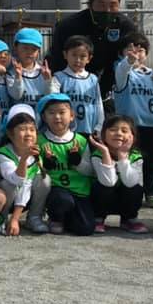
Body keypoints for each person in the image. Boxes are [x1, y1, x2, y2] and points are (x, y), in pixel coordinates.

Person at [47, 0, 137, 100]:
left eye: (113, 5)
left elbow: (131, 59)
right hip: (75, 89)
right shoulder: (68, 26)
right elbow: (57, 60)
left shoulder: (126, 27)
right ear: (90, 4)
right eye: (101, 5)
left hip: (113, 89)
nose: (107, 10)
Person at [113, 32, 153, 204]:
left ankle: (151, 192)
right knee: (131, 159)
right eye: (130, 49)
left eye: (141, 50)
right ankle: (130, 192)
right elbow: (122, 70)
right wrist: (128, 61)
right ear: (122, 52)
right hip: (131, 126)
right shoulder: (122, 71)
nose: (136, 53)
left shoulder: (152, 74)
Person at [37, 93, 96, 236]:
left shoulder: (81, 140)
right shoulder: (40, 140)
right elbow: (35, 173)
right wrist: (47, 165)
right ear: (44, 117)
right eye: (51, 113)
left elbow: (91, 171)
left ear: (72, 116)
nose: (57, 117)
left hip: (80, 191)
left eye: (62, 112)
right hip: (56, 191)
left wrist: (77, 163)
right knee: (62, 199)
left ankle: (67, 218)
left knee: (86, 229)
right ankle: (56, 218)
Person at [88, 115, 147, 234]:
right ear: (103, 134)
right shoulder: (98, 155)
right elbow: (108, 181)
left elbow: (130, 182)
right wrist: (105, 153)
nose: (119, 133)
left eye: (124, 131)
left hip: (125, 199)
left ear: (132, 137)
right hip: (102, 200)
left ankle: (129, 219)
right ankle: (98, 218)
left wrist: (122, 157)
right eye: (113, 130)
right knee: (102, 186)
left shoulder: (135, 156)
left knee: (135, 187)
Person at [0, 105, 48, 235]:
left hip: (24, 199)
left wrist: (15, 219)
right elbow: (17, 180)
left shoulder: (35, 155)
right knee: (8, 184)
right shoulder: (3, 153)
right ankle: (0, 219)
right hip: (6, 198)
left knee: (44, 180)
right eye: (23, 129)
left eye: (32, 129)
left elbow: (26, 185)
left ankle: (34, 217)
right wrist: (24, 159)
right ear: (10, 133)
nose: (28, 134)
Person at [54, 35, 104, 136]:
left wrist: (99, 125)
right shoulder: (59, 77)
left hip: (89, 130)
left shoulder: (93, 79)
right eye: (74, 55)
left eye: (82, 56)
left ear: (89, 58)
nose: (78, 60)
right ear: (65, 54)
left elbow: (98, 104)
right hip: (66, 133)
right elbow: (54, 104)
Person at [6, 28, 54, 112]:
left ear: (38, 52)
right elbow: (16, 95)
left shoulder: (44, 72)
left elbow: (50, 98)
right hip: (20, 118)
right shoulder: (11, 73)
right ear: (16, 48)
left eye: (34, 49)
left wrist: (48, 81)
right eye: (25, 48)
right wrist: (18, 77)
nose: (29, 52)